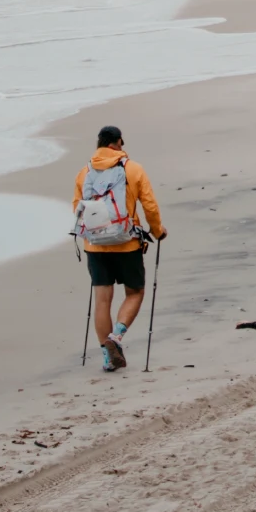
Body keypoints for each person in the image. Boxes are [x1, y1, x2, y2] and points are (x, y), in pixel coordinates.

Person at [73, 124, 164, 372]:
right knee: (135, 292)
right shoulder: (133, 169)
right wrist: (157, 231)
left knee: (102, 301)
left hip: (95, 245)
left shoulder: (84, 173)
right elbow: (150, 205)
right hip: (127, 244)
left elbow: (77, 209)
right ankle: (117, 336)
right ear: (117, 143)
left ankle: (107, 357)